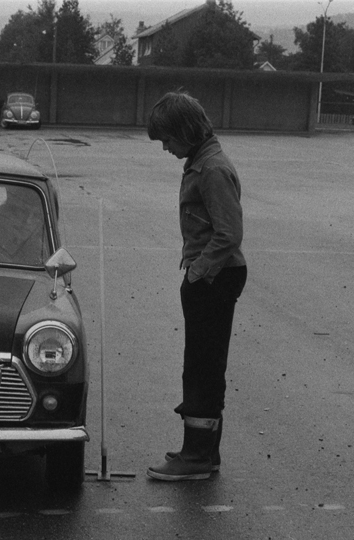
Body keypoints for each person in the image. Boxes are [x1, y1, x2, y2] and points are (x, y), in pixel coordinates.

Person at [144, 91, 247, 482]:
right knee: (202, 363)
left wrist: (198, 271)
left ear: (186, 131)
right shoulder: (201, 161)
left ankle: (198, 458)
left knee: (202, 366)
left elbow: (229, 233)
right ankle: (202, 451)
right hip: (211, 274)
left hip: (216, 276)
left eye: (168, 140)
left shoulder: (211, 169)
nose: (166, 148)